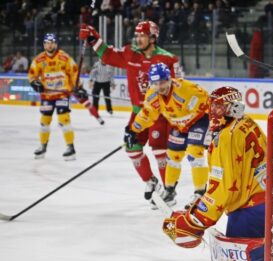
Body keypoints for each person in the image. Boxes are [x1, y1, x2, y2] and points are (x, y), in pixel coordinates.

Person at [80, 20, 185, 205]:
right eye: (137, 35)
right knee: (132, 148)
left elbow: (178, 88)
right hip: (138, 113)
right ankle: (151, 182)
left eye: (142, 35)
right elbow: (108, 55)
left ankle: (169, 191)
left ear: (153, 37)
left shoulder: (168, 59)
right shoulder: (130, 53)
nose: (138, 39)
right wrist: (92, 38)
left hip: (160, 114)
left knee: (160, 151)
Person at [161, 86, 266, 260]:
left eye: (219, 106)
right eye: (213, 106)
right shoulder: (247, 121)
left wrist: (192, 220)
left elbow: (224, 190)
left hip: (251, 210)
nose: (213, 111)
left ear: (233, 108)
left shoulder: (226, 137)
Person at [124, 63, 209, 209]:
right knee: (173, 156)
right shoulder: (152, 95)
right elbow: (147, 115)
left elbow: (209, 102)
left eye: (162, 82)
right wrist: (133, 130)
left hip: (199, 121)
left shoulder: (185, 89)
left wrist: (213, 128)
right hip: (179, 125)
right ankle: (169, 191)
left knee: (195, 153)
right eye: (155, 83)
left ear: (169, 79)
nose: (159, 86)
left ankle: (200, 193)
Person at [28, 33, 77, 161]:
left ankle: (70, 147)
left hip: (62, 94)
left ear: (55, 44)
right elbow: (32, 75)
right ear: (44, 44)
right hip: (47, 95)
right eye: (47, 42)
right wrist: (34, 83)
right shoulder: (39, 60)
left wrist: (77, 87)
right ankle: (43, 146)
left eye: (52, 42)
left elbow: (74, 71)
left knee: (64, 119)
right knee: (45, 121)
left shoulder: (64, 57)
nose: (49, 45)